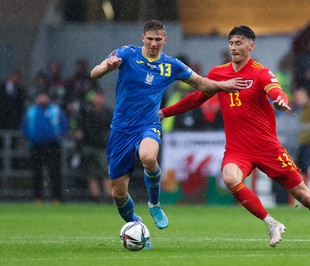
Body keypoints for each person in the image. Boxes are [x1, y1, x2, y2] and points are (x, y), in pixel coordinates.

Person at [159, 25, 310, 249]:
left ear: (251, 45)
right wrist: (165, 112)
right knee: (231, 178)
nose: (233, 47)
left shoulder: (260, 72)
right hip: (238, 150)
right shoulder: (217, 74)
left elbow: (275, 89)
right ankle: (271, 223)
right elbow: (195, 99)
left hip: (268, 149)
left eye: (238, 43)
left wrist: (280, 100)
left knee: (305, 196)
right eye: (231, 43)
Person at [90, 20, 245, 236]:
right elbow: (94, 73)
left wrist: (222, 86)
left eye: (158, 39)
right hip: (121, 129)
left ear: (165, 40)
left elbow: (201, 83)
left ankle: (154, 204)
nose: (154, 43)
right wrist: (107, 66)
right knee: (118, 193)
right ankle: (138, 228)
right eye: (150, 39)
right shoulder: (126, 54)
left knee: (148, 157)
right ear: (142, 38)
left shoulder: (172, 65)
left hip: (148, 123)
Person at [20, 90, 69, 203]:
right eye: (40, 96)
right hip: (36, 146)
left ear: (48, 98)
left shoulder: (55, 110)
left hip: (53, 146)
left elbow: (64, 125)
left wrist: (58, 136)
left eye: (44, 96)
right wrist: (31, 137)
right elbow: (23, 127)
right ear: (37, 98)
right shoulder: (31, 112)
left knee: (55, 173)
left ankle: (56, 198)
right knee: (37, 173)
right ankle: (38, 198)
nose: (42, 99)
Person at [74, 89, 113, 202]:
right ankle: (95, 199)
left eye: (100, 96)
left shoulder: (107, 112)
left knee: (106, 173)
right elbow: (79, 128)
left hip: (102, 147)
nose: (98, 99)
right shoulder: (86, 112)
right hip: (89, 146)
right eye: (96, 96)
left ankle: (109, 198)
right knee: (91, 174)